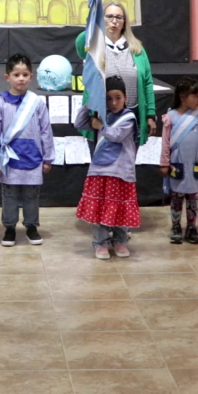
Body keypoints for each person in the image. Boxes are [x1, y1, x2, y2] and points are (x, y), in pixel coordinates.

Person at [0, 54, 54, 248]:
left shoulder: (37, 103)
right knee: (9, 195)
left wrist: (48, 158)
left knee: (32, 195)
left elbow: (46, 131)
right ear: (7, 77)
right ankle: (9, 228)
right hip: (8, 160)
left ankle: (31, 226)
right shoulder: (1, 103)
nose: (21, 79)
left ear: (31, 76)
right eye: (16, 75)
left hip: (33, 158)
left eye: (25, 74)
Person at [74, 77, 140, 259]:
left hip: (121, 172)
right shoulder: (101, 115)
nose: (114, 103)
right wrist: (89, 105)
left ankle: (120, 240)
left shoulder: (128, 118)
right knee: (101, 208)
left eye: (118, 98)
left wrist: (100, 126)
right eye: (109, 99)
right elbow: (79, 124)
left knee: (120, 207)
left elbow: (116, 135)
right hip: (100, 170)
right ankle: (101, 242)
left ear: (125, 98)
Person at [75, 1, 156, 145]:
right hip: (100, 117)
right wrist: (94, 23)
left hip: (130, 117)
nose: (114, 21)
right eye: (109, 16)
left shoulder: (137, 49)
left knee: (127, 159)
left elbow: (147, 83)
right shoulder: (94, 47)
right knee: (101, 158)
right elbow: (80, 44)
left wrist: (150, 114)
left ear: (124, 22)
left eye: (119, 17)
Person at [160, 77, 198, 244]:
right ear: (183, 97)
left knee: (193, 197)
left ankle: (192, 227)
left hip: (195, 164)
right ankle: (176, 226)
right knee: (177, 196)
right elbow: (165, 142)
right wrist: (164, 163)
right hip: (177, 164)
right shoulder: (171, 117)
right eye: (195, 96)